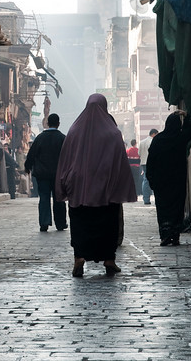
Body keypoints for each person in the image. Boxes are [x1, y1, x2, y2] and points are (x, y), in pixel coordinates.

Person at [55, 93, 137, 277]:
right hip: (105, 189)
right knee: (107, 224)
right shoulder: (113, 133)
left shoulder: (74, 131)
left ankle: (79, 259)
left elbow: (65, 161)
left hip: (78, 188)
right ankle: (109, 261)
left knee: (80, 223)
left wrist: (64, 184)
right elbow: (120, 164)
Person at [145, 111, 191, 246]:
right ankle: (175, 235)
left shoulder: (158, 139)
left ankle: (165, 234)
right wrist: (186, 116)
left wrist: (150, 178)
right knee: (177, 206)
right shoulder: (180, 138)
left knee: (163, 208)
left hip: (161, 182)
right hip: (177, 180)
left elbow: (150, 161)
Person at [24, 114, 67, 232]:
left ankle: (44, 223)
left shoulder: (40, 138)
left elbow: (31, 154)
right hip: (58, 175)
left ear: (47, 123)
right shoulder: (63, 138)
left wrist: (27, 167)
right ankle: (60, 223)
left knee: (44, 198)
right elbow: (69, 157)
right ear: (58, 123)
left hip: (42, 175)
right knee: (59, 198)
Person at [138, 129, 158, 205]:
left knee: (145, 180)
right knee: (154, 180)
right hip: (151, 163)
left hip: (143, 162)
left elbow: (139, 153)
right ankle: (155, 199)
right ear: (153, 134)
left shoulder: (142, 142)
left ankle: (146, 199)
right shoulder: (152, 141)